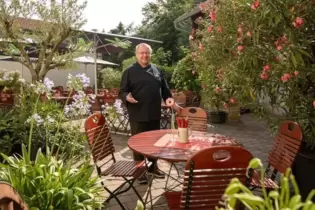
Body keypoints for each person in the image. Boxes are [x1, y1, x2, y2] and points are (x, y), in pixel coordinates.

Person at [119, 43, 180, 184]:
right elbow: (122, 91)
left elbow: (165, 91)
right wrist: (126, 97)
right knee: (138, 144)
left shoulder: (157, 70)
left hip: (154, 113)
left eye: (147, 53)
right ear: (137, 55)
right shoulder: (129, 71)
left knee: (154, 144)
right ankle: (140, 171)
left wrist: (169, 99)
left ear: (150, 54)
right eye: (141, 53)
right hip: (137, 114)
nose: (144, 55)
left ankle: (153, 168)